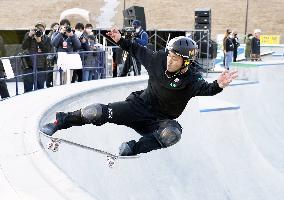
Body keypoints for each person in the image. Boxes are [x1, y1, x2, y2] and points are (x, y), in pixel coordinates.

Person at [40, 28, 237, 156]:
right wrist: (120, 40)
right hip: (137, 107)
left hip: (159, 121)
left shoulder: (192, 78)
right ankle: (61, 121)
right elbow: (136, 50)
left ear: (185, 62)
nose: (170, 61)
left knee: (172, 134)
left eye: (176, 59)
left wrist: (219, 84)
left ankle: (133, 148)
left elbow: (207, 89)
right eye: (170, 56)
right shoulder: (158, 59)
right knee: (94, 112)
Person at [22, 21, 51, 92]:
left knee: (40, 88)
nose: (39, 30)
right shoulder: (29, 35)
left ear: (44, 30)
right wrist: (29, 36)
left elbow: (47, 51)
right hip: (29, 66)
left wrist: (39, 42)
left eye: (41, 29)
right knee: (28, 89)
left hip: (41, 67)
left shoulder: (47, 38)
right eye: (37, 28)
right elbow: (23, 47)